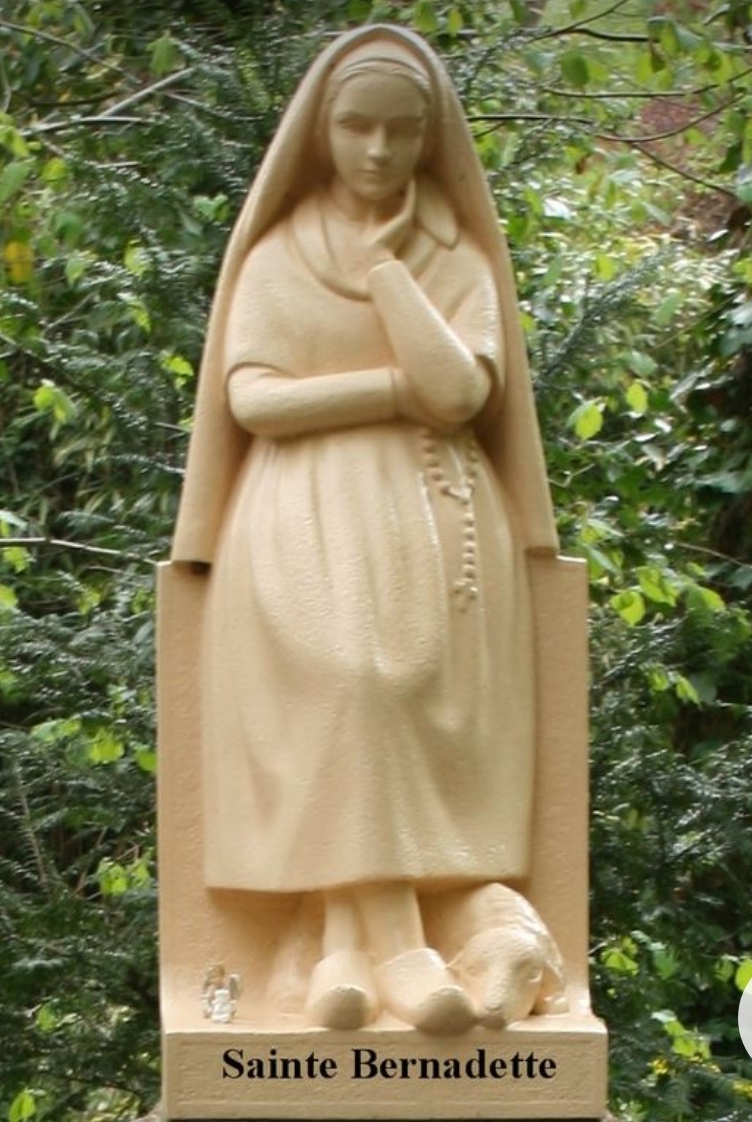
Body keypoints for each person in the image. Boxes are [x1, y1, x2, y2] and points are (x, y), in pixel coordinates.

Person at [171, 24, 559, 1034]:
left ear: (430, 138)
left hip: (432, 521)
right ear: (323, 131)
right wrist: (389, 390)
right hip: (297, 519)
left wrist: (388, 272)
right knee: (354, 685)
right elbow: (253, 400)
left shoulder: (454, 255)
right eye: (355, 127)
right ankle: (402, 951)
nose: (377, 151)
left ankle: (343, 948)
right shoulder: (280, 253)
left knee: (393, 698)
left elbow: (460, 393)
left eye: (400, 131)